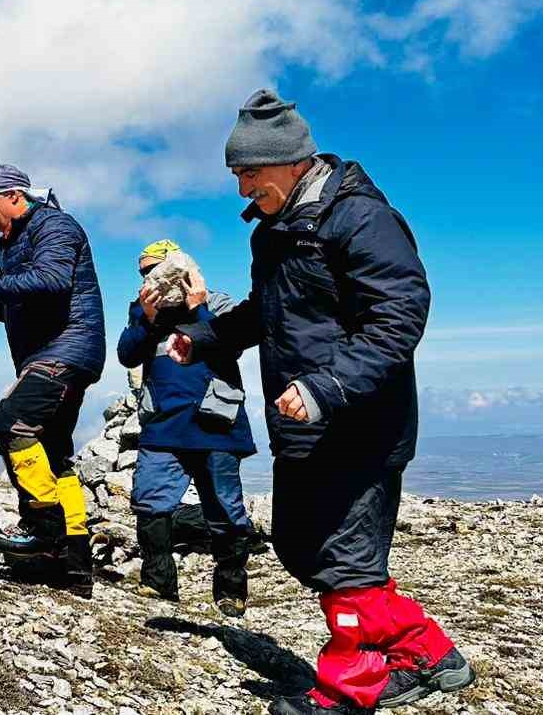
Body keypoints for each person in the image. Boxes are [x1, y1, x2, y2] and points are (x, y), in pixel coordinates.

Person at [169, 89, 472, 714]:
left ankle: (346, 689)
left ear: (289, 162)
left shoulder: (360, 218)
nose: (241, 189)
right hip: (302, 424)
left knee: (345, 561)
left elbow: (398, 314)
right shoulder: (276, 234)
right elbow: (267, 316)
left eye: (248, 174)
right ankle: (427, 650)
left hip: (360, 423)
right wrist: (200, 339)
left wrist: (326, 387)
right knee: (299, 546)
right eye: (237, 175)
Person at [0, 164, 105, 597]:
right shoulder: (14, 241)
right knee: (54, 449)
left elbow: (54, 280)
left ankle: (43, 526)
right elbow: (25, 302)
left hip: (66, 349)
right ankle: (73, 562)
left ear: (13, 195)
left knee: (12, 424)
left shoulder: (54, 225)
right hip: (54, 352)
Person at [116, 240, 255, 617]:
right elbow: (127, 353)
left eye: (154, 270)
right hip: (163, 424)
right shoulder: (143, 311)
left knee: (225, 508)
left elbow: (229, 347)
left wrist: (199, 308)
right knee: (149, 501)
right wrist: (144, 319)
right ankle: (158, 582)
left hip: (216, 423)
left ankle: (231, 589)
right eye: (143, 273)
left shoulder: (218, 303)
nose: (148, 278)